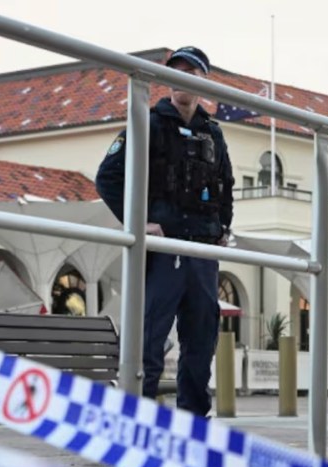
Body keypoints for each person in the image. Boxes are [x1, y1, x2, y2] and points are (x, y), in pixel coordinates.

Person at [95, 46, 234, 417]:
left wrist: (224, 227)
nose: (180, 78)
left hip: (203, 252)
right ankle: (136, 421)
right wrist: (137, 222)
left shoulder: (212, 133)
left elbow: (226, 183)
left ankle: (194, 422)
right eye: (175, 71)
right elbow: (107, 178)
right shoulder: (148, 122)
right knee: (149, 341)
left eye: (190, 71)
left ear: (203, 81)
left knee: (201, 341)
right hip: (163, 249)